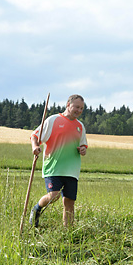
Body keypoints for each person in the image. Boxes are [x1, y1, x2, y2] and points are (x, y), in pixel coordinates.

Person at [29, 95, 88, 229]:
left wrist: (83, 149)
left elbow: (83, 144)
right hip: (53, 167)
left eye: (82, 108)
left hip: (72, 170)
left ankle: (68, 232)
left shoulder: (80, 126)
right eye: (76, 107)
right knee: (54, 196)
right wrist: (34, 147)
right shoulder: (53, 120)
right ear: (68, 105)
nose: (79, 110)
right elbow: (35, 135)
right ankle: (37, 209)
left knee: (69, 202)